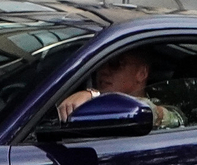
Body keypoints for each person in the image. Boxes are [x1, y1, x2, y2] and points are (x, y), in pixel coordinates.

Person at [53, 50, 183, 129]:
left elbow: (157, 113)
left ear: (142, 73)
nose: (103, 71)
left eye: (115, 64)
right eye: (100, 63)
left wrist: (94, 95)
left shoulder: (163, 111)